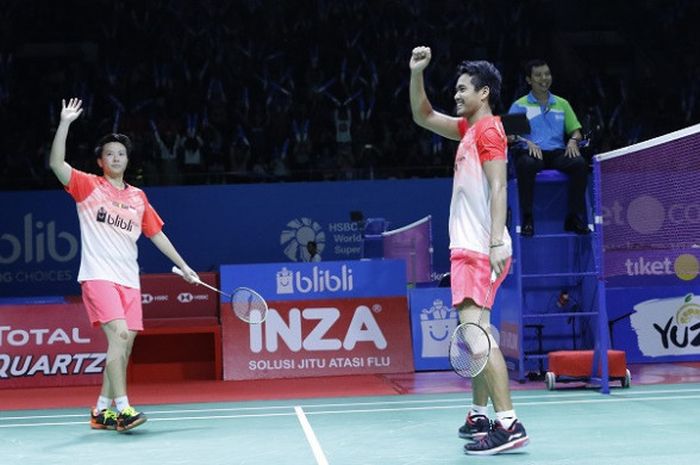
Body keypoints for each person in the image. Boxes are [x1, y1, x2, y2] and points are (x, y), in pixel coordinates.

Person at [49, 98, 200, 433]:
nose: (116, 158)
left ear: (128, 160)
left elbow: (156, 234)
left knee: (124, 345)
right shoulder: (88, 186)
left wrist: (186, 267)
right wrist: (65, 124)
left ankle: (101, 410)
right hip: (98, 276)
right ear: (101, 161)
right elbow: (56, 163)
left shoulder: (138, 197)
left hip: (129, 280)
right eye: (110, 154)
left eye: (121, 153)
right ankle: (123, 409)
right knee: (118, 336)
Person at [409, 46, 528, 455]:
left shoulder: (490, 131)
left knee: (477, 339)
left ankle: (508, 424)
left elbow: (499, 187)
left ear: (484, 93)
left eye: (463, 90)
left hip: (478, 249)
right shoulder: (468, 131)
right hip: (473, 248)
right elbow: (422, 116)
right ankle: (480, 412)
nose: (456, 95)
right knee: (477, 335)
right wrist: (416, 73)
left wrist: (495, 240)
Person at [508, 59, 589, 236]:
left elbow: (576, 132)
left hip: (558, 153)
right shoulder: (519, 105)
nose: (544, 78)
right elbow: (508, 136)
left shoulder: (562, 104)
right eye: (538, 75)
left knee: (579, 164)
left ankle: (573, 218)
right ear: (529, 80)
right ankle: (527, 218)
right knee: (526, 164)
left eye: (547, 74)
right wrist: (525, 141)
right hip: (533, 153)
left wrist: (573, 141)